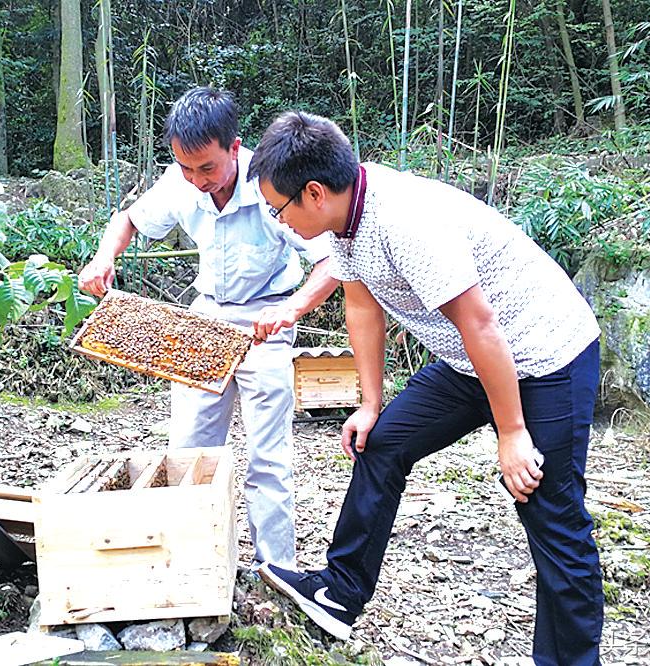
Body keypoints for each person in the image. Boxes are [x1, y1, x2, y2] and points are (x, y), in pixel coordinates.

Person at [246, 111, 604, 665]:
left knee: (547, 509)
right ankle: (340, 592)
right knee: (382, 442)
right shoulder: (345, 218)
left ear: (313, 193)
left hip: (545, 354)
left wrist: (512, 433)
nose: (279, 220)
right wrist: (370, 404)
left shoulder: (403, 221)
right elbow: (362, 305)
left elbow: (480, 323)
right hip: (470, 361)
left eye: (279, 208)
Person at [78, 89, 339, 569]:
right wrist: (103, 257)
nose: (197, 180)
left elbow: (331, 261)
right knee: (189, 451)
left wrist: (293, 309)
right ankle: (191, 564)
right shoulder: (180, 184)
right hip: (204, 319)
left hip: (268, 320)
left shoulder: (273, 187)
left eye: (207, 168)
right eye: (185, 168)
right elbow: (128, 220)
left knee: (268, 460)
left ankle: (275, 573)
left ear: (235, 148)